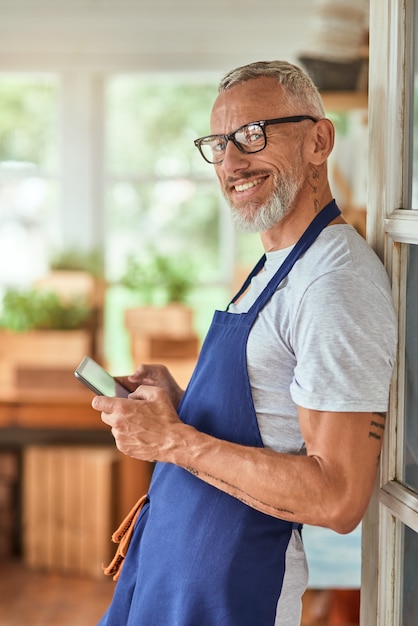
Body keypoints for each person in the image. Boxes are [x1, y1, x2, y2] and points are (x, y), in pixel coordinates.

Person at [92, 60, 397, 626]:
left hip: (231, 596)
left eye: (253, 136)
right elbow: (267, 419)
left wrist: (173, 440)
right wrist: (179, 404)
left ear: (318, 140)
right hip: (171, 575)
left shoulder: (336, 282)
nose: (231, 162)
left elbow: (337, 496)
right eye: (219, 143)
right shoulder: (276, 264)